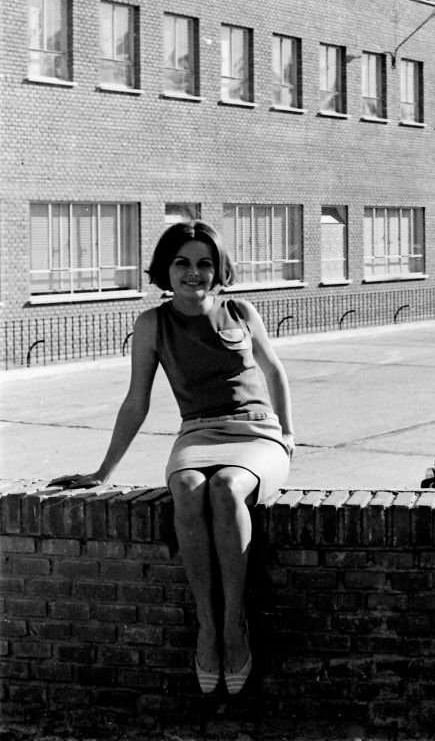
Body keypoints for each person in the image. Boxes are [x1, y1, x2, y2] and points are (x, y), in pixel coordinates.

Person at [49, 220, 294, 702]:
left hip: (255, 433)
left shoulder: (241, 310)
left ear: (218, 269)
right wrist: (103, 472)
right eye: (182, 262)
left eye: (205, 263)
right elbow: (136, 401)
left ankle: (233, 627)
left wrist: (287, 434)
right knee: (187, 488)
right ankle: (207, 625)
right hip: (197, 432)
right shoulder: (153, 324)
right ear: (166, 268)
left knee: (225, 489)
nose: (194, 272)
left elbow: (274, 370)